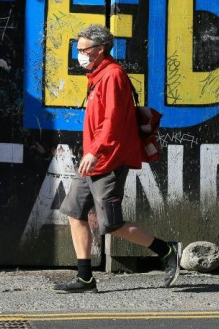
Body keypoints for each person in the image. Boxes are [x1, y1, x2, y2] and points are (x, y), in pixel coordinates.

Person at [52, 24, 181, 293]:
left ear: (99, 50)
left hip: (109, 159)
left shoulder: (113, 76)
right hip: (93, 160)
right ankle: (85, 278)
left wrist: (95, 151)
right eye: (78, 49)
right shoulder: (97, 75)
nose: (80, 54)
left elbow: (112, 122)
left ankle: (166, 250)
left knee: (111, 224)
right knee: (74, 213)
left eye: (83, 49)